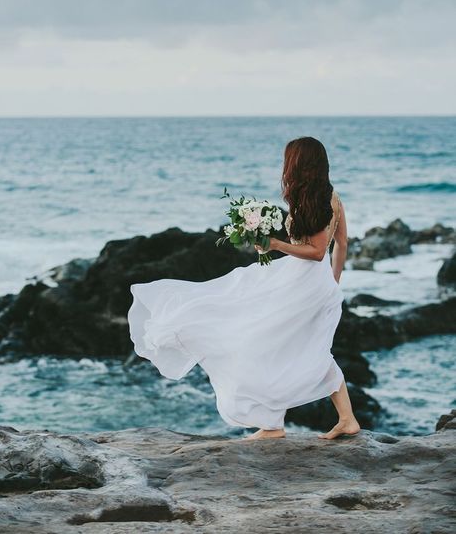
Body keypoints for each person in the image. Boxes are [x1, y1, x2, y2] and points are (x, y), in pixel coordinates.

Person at [128, 136, 360, 441]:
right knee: (295, 345)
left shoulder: (318, 202)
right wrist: (332, 281)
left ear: (299, 163)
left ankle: (276, 423)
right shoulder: (328, 197)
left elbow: (317, 252)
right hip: (304, 280)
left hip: (305, 284)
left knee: (259, 338)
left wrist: (277, 244)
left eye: (288, 159)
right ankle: (335, 420)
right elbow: (341, 244)